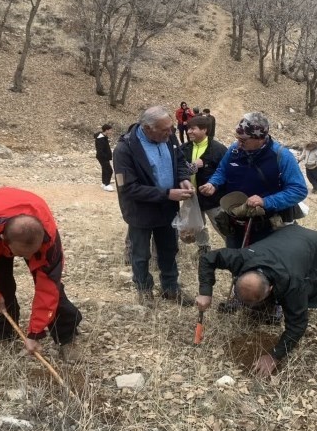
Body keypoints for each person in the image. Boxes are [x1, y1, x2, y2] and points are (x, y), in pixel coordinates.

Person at [195, 224, 317, 377]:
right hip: (289, 236)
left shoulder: (293, 284)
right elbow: (208, 259)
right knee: (260, 302)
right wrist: (205, 292)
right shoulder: (241, 257)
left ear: (271, 289)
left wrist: (274, 356)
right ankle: (262, 312)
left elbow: (298, 324)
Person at [0, 187, 82, 360]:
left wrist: (35, 333)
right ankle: (4, 333)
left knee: (54, 290)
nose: (29, 259)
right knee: (0, 287)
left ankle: (67, 336)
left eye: (32, 253)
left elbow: (47, 289)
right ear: (4, 241)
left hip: (30, 230)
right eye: (23, 255)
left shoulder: (49, 239)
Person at [113, 106, 195, 307]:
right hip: (140, 212)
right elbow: (129, 189)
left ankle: (170, 289)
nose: (170, 132)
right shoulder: (124, 150)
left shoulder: (169, 138)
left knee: (169, 250)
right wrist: (167, 193)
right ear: (147, 128)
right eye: (164, 130)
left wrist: (183, 178)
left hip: (167, 208)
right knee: (140, 254)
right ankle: (144, 291)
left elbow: (180, 161)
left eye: (171, 128)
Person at [198, 112, 308, 249]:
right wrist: (213, 183)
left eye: (243, 140)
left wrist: (265, 201)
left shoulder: (281, 156)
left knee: (262, 267)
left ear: (260, 138)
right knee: (237, 264)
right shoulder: (234, 150)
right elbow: (222, 170)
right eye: (237, 138)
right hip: (234, 223)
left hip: (268, 227)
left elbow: (298, 190)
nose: (238, 143)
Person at [181, 115, 228, 256]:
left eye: (192, 129)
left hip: (214, 198)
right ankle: (203, 249)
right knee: (198, 225)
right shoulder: (184, 149)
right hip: (192, 197)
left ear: (204, 130)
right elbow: (179, 169)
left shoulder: (218, 149)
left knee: (222, 225)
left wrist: (214, 185)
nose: (188, 132)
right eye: (188, 128)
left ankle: (234, 248)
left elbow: (225, 172)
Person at [94, 123, 114, 192]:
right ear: (106, 130)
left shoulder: (103, 137)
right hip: (102, 157)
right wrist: (106, 156)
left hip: (104, 157)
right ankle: (107, 185)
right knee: (109, 170)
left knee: (105, 169)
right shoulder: (101, 138)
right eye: (110, 130)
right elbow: (100, 150)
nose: (111, 132)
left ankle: (104, 183)